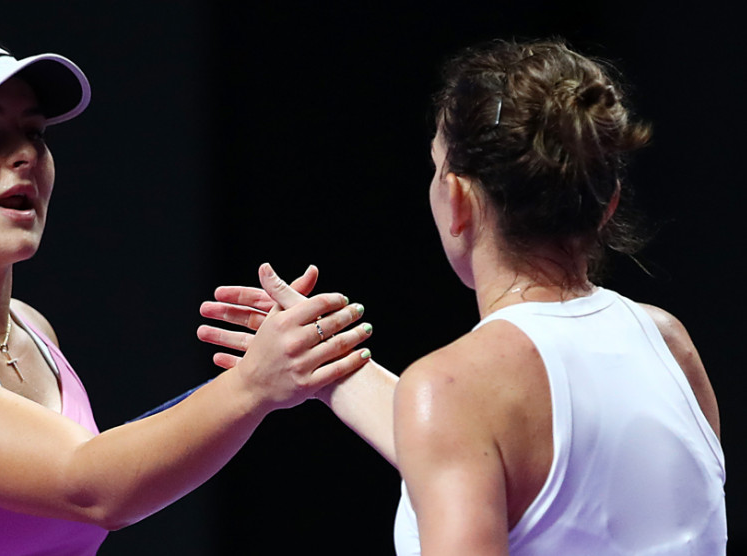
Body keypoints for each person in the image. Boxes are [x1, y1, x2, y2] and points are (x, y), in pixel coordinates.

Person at [0, 28, 374, 556]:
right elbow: (94, 488)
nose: (25, 155)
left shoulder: (32, 330)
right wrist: (255, 385)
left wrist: (265, 371)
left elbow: (108, 471)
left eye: (34, 132)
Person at [199, 39, 726, 554]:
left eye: (436, 166)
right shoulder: (669, 343)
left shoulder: (456, 390)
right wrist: (325, 357)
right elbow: (525, 467)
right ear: (607, 203)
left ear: (457, 201)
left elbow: (483, 426)